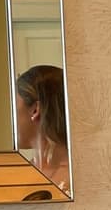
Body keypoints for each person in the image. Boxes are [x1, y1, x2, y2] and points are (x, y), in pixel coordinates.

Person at [15, 64, 70, 194]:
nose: (11, 117)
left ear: (35, 110)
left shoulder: (73, 178)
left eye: (14, 107)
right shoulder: (19, 175)